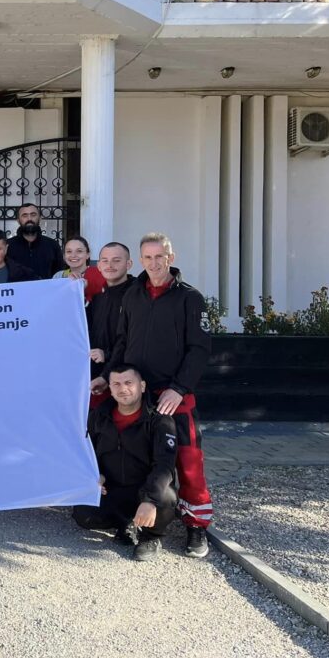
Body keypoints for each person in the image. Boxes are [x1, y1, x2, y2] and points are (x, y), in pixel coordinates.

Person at [105, 232, 214, 558]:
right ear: (140, 260)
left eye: (160, 257)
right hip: (136, 394)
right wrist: (108, 377)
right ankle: (145, 522)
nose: (154, 263)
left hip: (174, 394)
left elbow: (199, 349)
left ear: (171, 257)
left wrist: (179, 388)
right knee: (137, 459)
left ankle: (196, 526)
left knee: (188, 460)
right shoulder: (132, 295)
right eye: (148, 257)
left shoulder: (190, 298)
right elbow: (122, 342)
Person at [72, 364, 179, 562]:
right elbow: (87, 453)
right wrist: (96, 476)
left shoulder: (160, 420)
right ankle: (126, 523)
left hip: (144, 488)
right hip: (112, 487)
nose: (123, 389)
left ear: (142, 386)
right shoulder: (98, 416)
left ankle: (150, 537)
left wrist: (149, 500)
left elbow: (164, 465)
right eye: (117, 384)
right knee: (83, 514)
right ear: (110, 389)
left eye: (129, 383)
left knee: (165, 497)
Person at [87, 242, 136, 407]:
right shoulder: (98, 299)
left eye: (116, 260)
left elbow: (135, 340)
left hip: (126, 382)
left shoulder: (138, 296)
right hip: (98, 381)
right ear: (99, 266)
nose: (110, 265)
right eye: (105, 261)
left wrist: (107, 355)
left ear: (129, 264)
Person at [6, 203, 63, 278]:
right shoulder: (8, 246)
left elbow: (59, 274)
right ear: (18, 220)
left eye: (33, 215)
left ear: (40, 218)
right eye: (24, 215)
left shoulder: (52, 245)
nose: (29, 219)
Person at [53, 235, 106, 305]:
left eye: (79, 251)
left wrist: (85, 288)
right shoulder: (59, 276)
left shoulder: (100, 275)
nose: (73, 255)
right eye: (69, 251)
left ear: (88, 254)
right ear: (64, 256)